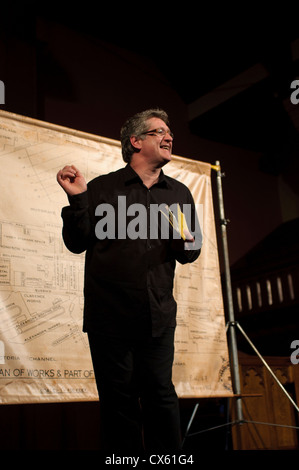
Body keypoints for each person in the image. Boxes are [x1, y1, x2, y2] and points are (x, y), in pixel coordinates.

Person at [56, 109, 202, 454]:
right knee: (118, 401)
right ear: (135, 141)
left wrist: (186, 236)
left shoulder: (179, 193)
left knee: (161, 396)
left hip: (159, 316)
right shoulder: (103, 189)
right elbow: (76, 242)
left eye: (169, 132)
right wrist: (77, 199)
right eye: (159, 132)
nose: (169, 137)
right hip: (110, 316)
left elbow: (190, 253)